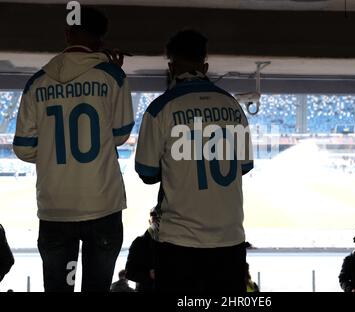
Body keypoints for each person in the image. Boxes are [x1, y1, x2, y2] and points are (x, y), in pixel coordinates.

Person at [13, 7, 134, 292]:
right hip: (103, 206)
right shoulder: (113, 77)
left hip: (55, 208)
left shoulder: (37, 82)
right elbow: (119, 136)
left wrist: (51, 156)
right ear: (101, 41)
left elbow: (22, 148)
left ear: (67, 34)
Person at [135, 29, 254, 293]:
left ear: (171, 67)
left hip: (179, 241)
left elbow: (146, 173)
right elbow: (243, 166)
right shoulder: (232, 106)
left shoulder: (160, 108)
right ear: (206, 66)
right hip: (229, 239)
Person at [125, 210, 158, 292]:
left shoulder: (175, 241)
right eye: (154, 218)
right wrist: (149, 275)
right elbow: (129, 272)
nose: (157, 221)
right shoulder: (139, 242)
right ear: (149, 221)